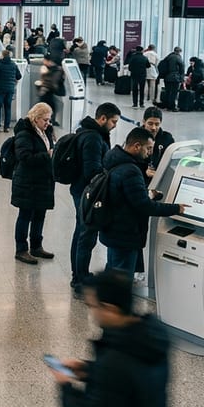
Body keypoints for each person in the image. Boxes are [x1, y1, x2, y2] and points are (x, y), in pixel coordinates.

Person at [52, 270, 170, 407]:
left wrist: (66, 387)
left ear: (110, 308)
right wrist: (90, 370)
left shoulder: (115, 361)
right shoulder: (151, 340)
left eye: (92, 306)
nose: (91, 313)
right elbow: (130, 384)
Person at [99, 128, 184, 273]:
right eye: (148, 148)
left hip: (111, 228)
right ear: (137, 146)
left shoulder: (113, 157)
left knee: (112, 271)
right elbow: (144, 206)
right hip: (125, 233)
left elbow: (125, 193)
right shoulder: (131, 170)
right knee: (122, 278)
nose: (149, 153)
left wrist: (147, 193)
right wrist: (175, 208)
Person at [70, 103, 120, 293]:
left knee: (81, 233)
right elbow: (92, 170)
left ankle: (79, 274)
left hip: (81, 190)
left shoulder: (90, 132)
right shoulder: (93, 138)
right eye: (113, 121)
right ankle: (80, 279)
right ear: (103, 119)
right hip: (87, 192)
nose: (115, 125)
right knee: (86, 236)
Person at [11, 103, 57, 265]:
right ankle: (21, 249)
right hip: (27, 182)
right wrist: (47, 155)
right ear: (36, 119)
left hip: (43, 181)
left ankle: (36, 246)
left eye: (49, 120)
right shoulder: (25, 134)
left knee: (40, 215)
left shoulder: (47, 132)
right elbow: (24, 157)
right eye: (45, 120)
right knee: (25, 215)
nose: (48, 123)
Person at [0, 49, 21, 133]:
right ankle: (6, 127)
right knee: (7, 108)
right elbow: (19, 76)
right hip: (10, 89)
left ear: (2, 56)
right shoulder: (14, 65)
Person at [142, 107, 176, 172]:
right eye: (150, 124)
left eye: (157, 124)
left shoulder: (167, 138)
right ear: (144, 122)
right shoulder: (136, 136)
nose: (153, 128)